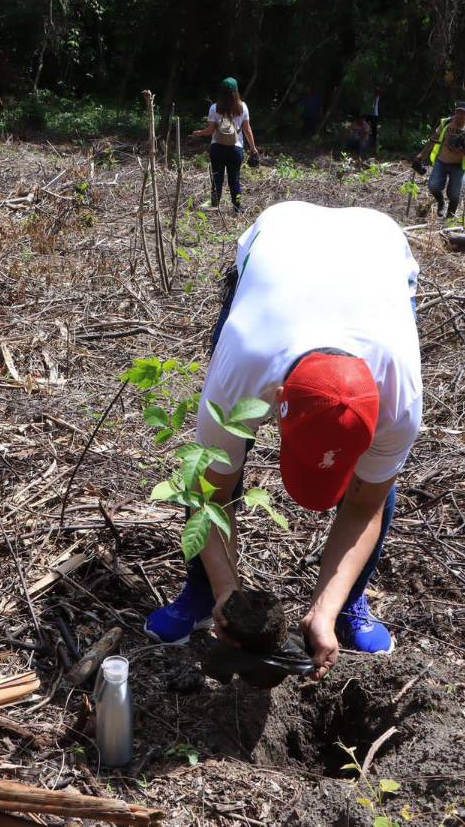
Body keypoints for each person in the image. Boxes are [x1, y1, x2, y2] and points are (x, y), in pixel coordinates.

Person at [145, 201, 421, 681]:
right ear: (275, 400)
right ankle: (203, 594)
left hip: (378, 251)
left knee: (376, 479)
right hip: (280, 243)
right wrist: (229, 590)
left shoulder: (398, 395)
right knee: (216, 471)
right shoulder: (244, 363)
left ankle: (348, 603)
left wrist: (323, 609)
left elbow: (366, 503)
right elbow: (208, 491)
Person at [194, 78, 259, 213]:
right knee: (234, 179)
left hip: (217, 147)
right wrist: (253, 148)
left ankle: (214, 204)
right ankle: (237, 207)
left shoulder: (214, 108)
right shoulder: (243, 107)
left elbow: (210, 130)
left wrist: (199, 133)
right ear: (236, 92)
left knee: (217, 177)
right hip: (236, 149)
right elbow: (247, 129)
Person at [415, 102, 465, 218]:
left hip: (458, 165)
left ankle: (450, 215)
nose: (460, 115)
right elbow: (433, 139)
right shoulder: (446, 123)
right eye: (458, 111)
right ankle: (441, 203)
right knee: (433, 186)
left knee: (454, 194)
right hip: (442, 161)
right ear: (455, 112)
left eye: (463, 113)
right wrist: (422, 154)